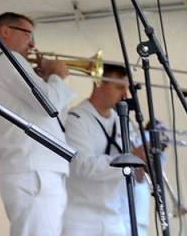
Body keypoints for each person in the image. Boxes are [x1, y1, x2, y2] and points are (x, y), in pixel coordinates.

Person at [0, 12, 75, 236]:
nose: (33, 44)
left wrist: (45, 80)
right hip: (35, 171)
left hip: (32, 169)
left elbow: (52, 117)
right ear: (5, 32)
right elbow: (49, 104)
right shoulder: (5, 58)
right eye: (29, 35)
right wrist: (58, 76)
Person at [62, 64, 146, 236]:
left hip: (114, 217)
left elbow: (135, 176)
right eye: (119, 87)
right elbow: (82, 167)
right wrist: (129, 159)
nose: (125, 95)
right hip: (80, 219)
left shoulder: (123, 121)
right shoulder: (76, 119)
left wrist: (144, 160)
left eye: (127, 88)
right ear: (99, 83)